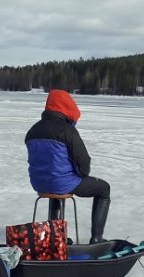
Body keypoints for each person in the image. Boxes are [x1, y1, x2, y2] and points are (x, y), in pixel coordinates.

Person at [25, 89, 111, 244]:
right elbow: (83, 160)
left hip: (38, 182)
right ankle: (97, 238)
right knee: (104, 189)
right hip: (62, 183)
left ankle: (55, 236)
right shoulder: (68, 131)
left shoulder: (33, 130)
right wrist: (82, 175)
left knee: (57, 185)